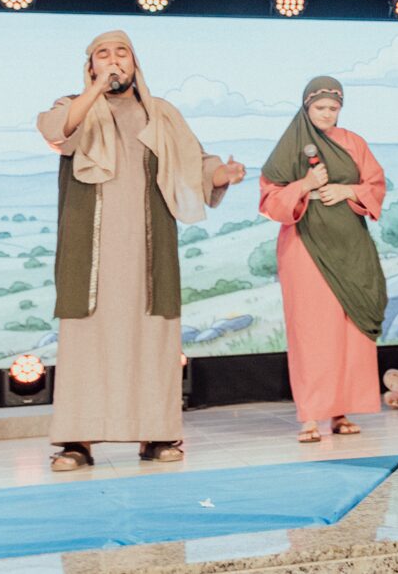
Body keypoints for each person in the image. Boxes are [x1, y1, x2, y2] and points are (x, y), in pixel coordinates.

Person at [37, 30, 245, 471]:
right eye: (103, 55)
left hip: (148, 252)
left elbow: (197, 162)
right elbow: (55, 129)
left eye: (122, 53)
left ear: (135, 63)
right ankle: (77, 442)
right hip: (91, 254)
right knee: (86, 342)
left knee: (153, 339)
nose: (114, 61)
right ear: (90, 65)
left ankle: (157, 435)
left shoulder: (160, 114)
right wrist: (95, 89)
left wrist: (222, 175)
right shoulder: (73, 106)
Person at [259, 76, 387, 443]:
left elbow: (376, 185)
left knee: (349, 330)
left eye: (333, 108)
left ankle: (341, 412)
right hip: (305, 247)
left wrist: (348, 190)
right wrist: (306, 185)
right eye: (320, 107)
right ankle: (310, 417)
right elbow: (269, 200)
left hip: (350, 244)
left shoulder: (353, 143)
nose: (327, 114)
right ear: (306, 107)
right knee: (313, 331)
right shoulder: (289, 146)